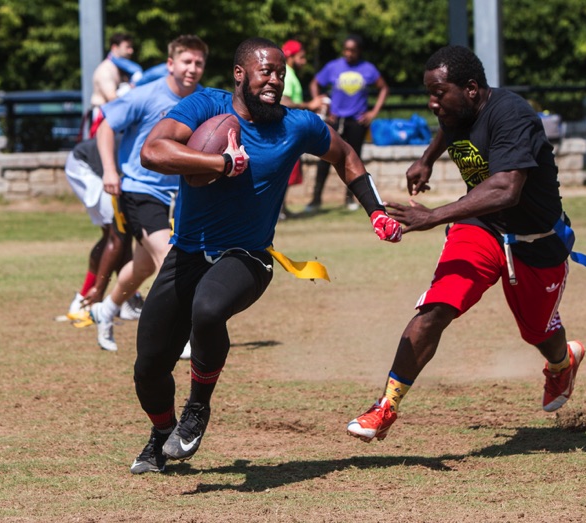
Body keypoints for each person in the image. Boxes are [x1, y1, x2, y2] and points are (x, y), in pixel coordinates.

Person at [128, 37, 402, 474]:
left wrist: (377, 212)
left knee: (209, 308)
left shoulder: (298, 124)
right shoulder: (205, 107)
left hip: (250, 257)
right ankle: (162, 435)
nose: (274, 80)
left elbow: (345, 153)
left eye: (279, 72)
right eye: (265, 72)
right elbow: (152, 151)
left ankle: (197, 409)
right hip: (189, 252)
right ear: (240, 74)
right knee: (148, 369)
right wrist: (220, 163)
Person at [346, 45, 586, 444]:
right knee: (437, 306)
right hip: (480, 226)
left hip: (536, 241)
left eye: (438, 93)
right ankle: (385, 406)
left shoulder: (513, 116)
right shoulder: (460, 109)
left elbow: (506, 189)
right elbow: (453, 125)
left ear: (472, 89)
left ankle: (563, 362)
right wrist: (427, 158)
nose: (432, 103)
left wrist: (433, 215)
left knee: (537, 332)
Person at [89, 35, 209, 354]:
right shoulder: (145, 95)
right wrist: (110, 171)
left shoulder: (203, 101)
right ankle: (179, 335)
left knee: (142, 266)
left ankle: (106, 310)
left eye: (199, 63)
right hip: (140, 191)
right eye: (186, 61)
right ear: (170, 63)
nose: (192, 68)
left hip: (180, 194)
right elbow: (105, 126)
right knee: (171, 258)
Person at [305, 34, 389, 212]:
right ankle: (316, 199)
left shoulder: (368, 69)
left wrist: (373, 113)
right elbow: (315, 83)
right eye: (347, 49)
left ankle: (350, 198)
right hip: (335, 120)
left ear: (359, 51)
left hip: (356, 122)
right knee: (324, 158)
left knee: (353, 160)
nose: (349, 53)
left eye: (353, 50)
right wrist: (320, 103)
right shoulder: (334, 66)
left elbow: (383, 88)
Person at [63, 137, 140, 321]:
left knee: (121, 233)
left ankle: (126, 299)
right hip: (86, 166)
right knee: (116, 234)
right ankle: (88, 299)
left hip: (99, 168)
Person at [278, 39, 328, 219]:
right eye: (301, 56)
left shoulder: (288, 73)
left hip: (290, 131)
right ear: (290, 56)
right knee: (284, 172)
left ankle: (282, 209)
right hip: (285, 132)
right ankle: (278, 211)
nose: (304, 61)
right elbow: (284, 101)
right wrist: (311, 104)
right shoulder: (287, 75)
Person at [89, 33, 141, 137]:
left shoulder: (123, 69)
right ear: (114, 47)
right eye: (127, 47)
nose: (131, 51)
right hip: (103, 119)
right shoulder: (105, 69)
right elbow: (112, 98)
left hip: (117, 119)